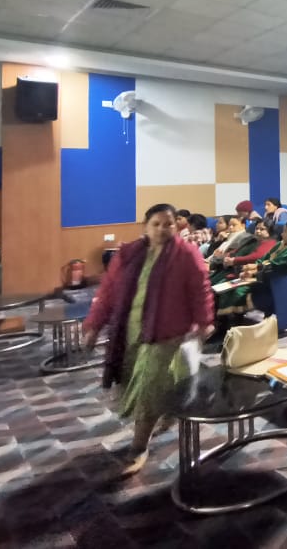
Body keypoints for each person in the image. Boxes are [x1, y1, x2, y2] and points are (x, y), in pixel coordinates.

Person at [82, 203, 213, 475]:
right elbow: (108, 293)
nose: (163, 229)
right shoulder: (129, 254)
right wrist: (94, 325)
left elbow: (200, 289)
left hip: (167, 333)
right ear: (146, 226)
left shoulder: (186, 254)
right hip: (131, 332)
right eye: (156, 224)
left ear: (177, 226)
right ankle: (167, 412)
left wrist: (204, 321)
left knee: (148, 389)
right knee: (135, 382)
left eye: (169, 224)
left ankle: (139, 446)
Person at [235, 220, 287, 316]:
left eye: (285, 231)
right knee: (236, 286)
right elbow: (265, 258)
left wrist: (255, 270)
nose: (282, 234)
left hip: (280, 279)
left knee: (240, 291)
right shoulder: (281, 243)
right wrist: (249, 270)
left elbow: (277, 264)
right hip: (267, 274)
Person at [209, 219, 277, 287]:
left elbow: (256, 257)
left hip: (246, 274)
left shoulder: (270, 243)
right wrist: (228, 257)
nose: (258, 231)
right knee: (210, 282)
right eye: (257, 228)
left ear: (270, 230)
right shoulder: (252, 240)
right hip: (231, 267)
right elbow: (237, 250)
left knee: (214, 286)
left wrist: (234, 260)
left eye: (262, 229)